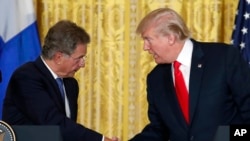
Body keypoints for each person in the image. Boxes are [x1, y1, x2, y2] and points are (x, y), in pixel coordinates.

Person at [129, 7, 250, 141]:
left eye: (148, 39)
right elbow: (158, 130)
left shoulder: (223, 57)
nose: (145, 47)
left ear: (170, 38)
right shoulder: (155, 78)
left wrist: (224, 137)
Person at [2, 20, 118, 141]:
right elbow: (53, 123)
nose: (82, 64)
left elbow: (67, 132)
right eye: (79, 58)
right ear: (58, 57)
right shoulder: (26, 77)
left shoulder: (70, 84)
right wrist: (101, 140)